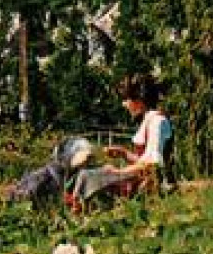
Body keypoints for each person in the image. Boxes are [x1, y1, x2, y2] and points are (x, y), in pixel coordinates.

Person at [70, 73, 171, 204]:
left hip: (150, 184)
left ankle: (78, 212)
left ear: (139, 100)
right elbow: (145, 159)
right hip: (139, 178)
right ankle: (79, 208)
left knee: (87, 176)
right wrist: (124, 153)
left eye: (126, 99)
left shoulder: (157, 121)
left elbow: (152, 165)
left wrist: (118, 171)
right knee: (85, 173)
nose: (124, 104)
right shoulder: (148, 120)